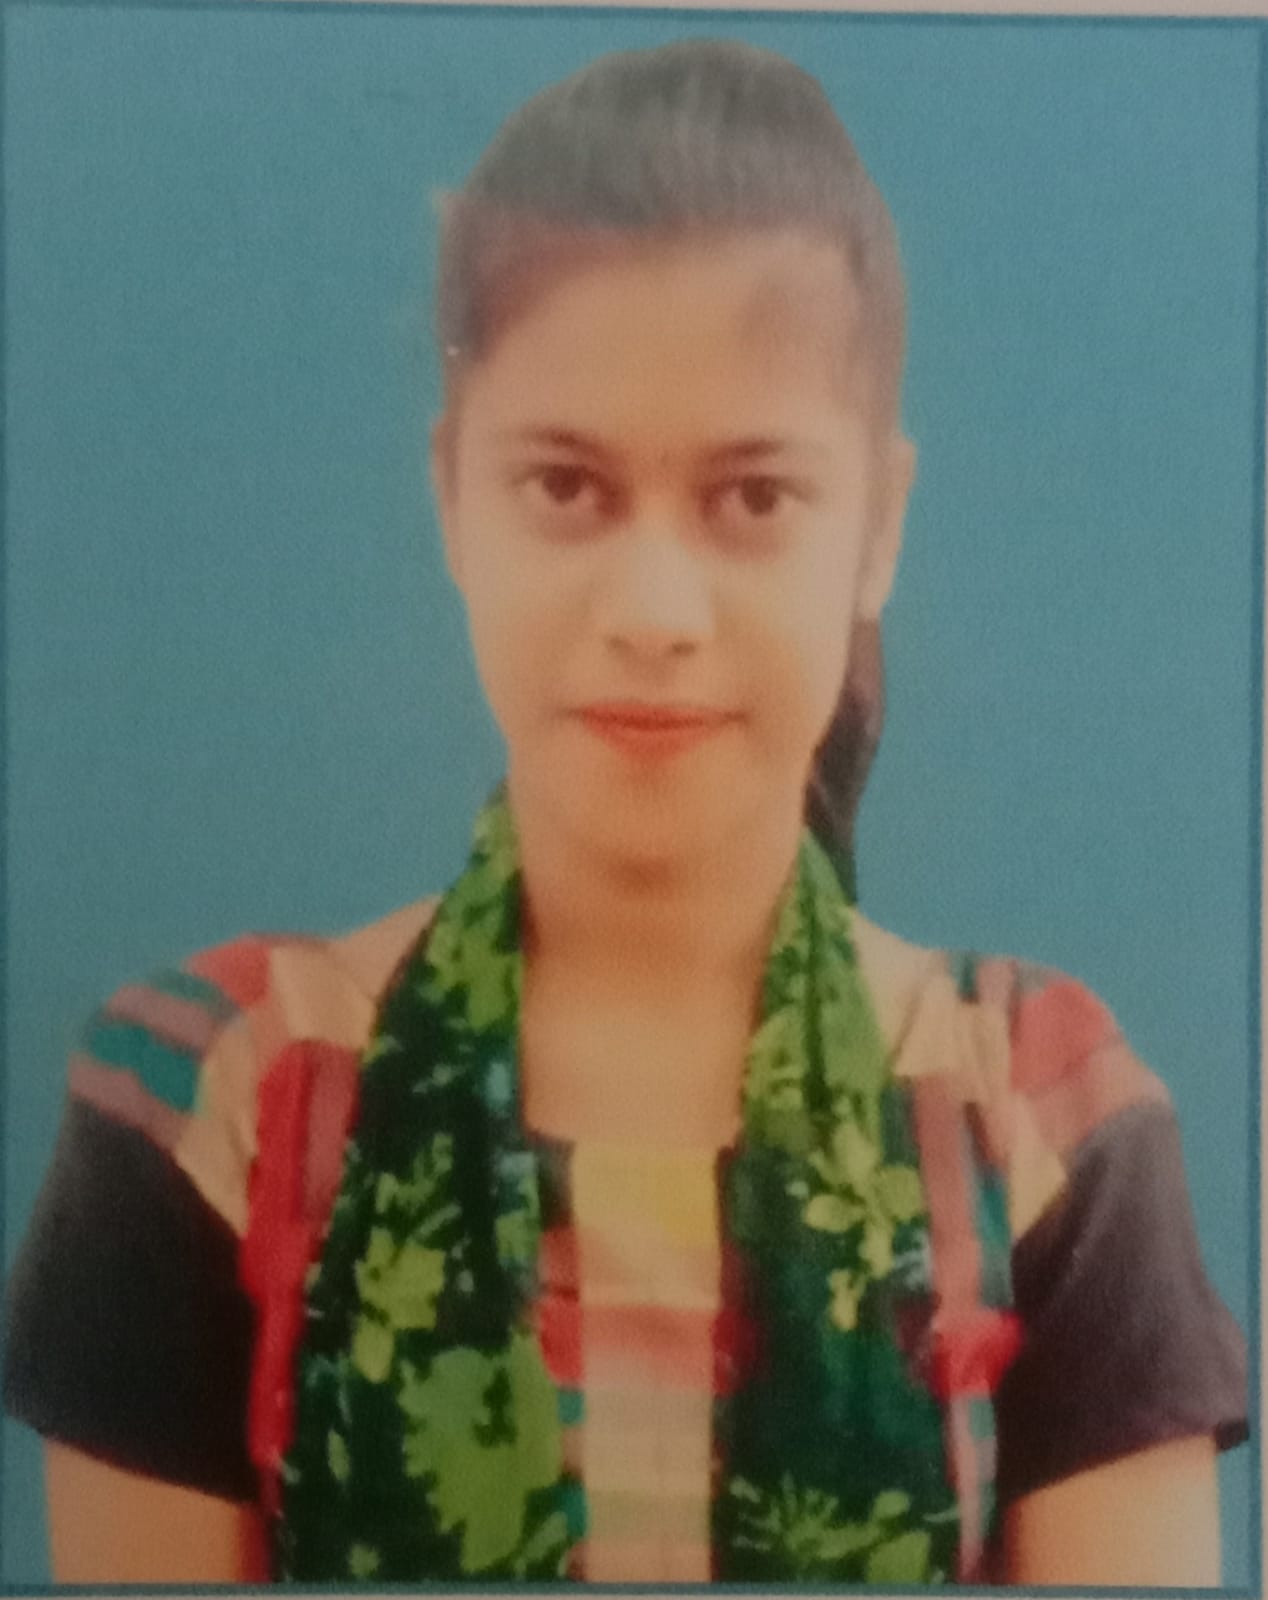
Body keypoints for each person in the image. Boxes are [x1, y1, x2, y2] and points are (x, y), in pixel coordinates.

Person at [3, 38, 1247, 1587]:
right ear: (453, 497)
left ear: (878, 529)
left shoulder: (1039, 1121)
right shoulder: (216, 1102)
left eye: (753, 498)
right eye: (567, 488)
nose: (655, 610)